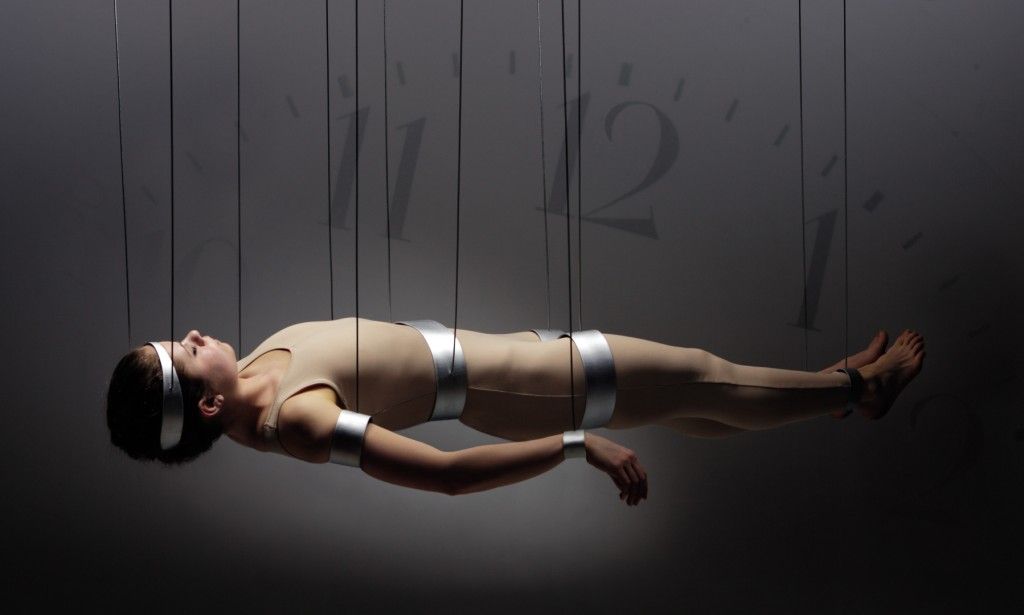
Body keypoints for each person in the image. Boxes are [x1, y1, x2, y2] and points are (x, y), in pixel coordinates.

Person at [106, 317, 925, 507]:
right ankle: (861, 389)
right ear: (207, 401)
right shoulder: (296, 419)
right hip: (538, 386)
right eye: (184, 350)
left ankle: (818, 389)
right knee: (705, 378)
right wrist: (576, 444)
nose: (194, 334)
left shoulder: (253, 372)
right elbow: (448, 477)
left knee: (692, 402)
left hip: (517, 360)